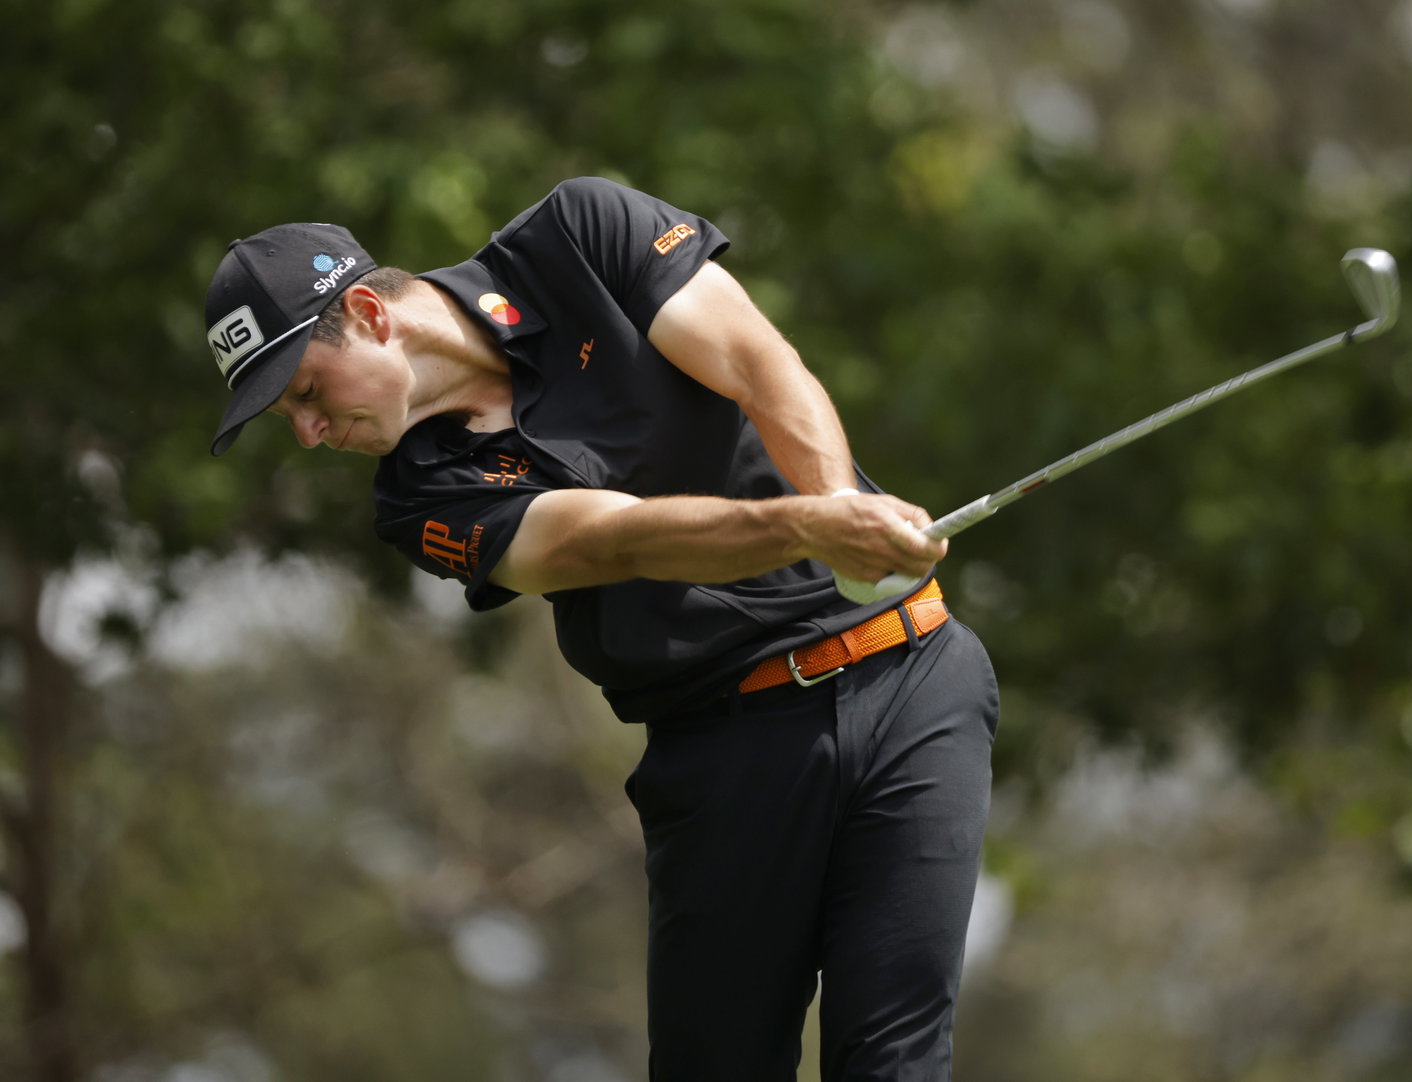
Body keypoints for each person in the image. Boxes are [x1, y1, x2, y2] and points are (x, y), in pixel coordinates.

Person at [202, 177, 999, 1081]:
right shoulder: (419, 498)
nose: (307, 432)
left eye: (306, 389)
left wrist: (841, 507)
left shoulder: (580, 233)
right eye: (286, 419)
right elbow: (609, 541)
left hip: (912, 679)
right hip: (724, 750)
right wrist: (810, 529)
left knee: (894, 1063)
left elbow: (755, 363)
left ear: (368, 313)